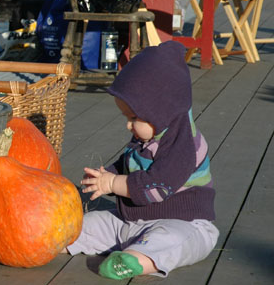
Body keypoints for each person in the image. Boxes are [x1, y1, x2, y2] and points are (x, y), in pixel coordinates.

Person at [64, 40, 219, 280]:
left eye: (134, 117)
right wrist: (104, 176)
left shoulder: (183, 146)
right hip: (134, 220)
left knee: (170, 240)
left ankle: (138, 260)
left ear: (161, 110)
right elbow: (129, 166)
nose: (128, 124)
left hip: (183, 222)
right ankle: (54, 240)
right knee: (90, 223)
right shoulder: (148, 137)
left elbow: (157, 187)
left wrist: (113, 184)